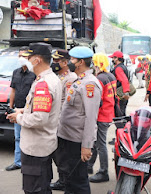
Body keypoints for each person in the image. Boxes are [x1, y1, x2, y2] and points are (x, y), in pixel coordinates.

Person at [7, 42, 62, 194]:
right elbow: (40, 110)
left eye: (28, 57)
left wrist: (18, 118)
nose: (26, 60)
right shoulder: (50, 79)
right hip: (44, 145)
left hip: (35, 148)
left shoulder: (43, 84)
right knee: (42, 187)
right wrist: (21, 111)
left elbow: (39, 119)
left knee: (34, 190)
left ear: (37, 60)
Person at [56, 46, 102, 194]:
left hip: (77, 141)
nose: (69, 62)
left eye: (72, 59)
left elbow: (90, 118)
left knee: (79, 181)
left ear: (80, 62)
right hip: (67, 138)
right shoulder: (79, 80)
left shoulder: (90, 84)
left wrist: (87, 146)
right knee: (69, 178)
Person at [50, 49, 77, 191]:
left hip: (62, 123)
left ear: (65, 63)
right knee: (58, 155)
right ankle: (62, 180)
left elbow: (67, 104)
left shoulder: (70, 78)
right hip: (55, 121)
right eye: (53, 60)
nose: (53, 63)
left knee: (63, 155)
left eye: (56, 61)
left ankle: (66, 182)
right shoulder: (59, 77)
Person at [5, 46, 36, 172]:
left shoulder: (35, 73)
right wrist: (10, 107)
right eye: (19, 56)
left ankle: (31, 162)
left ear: (29, 57)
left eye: (23, 56)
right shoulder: (16, 72)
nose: (21, 59)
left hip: (30, 111)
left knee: (31, 137)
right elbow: (13, 90)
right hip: (17, 109)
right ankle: (18, 162)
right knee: (18, 137)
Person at [88, 53, 116, 183]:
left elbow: (97, 100)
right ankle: (89, 166)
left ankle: (104, 171)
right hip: (108, 113)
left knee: (101, 144)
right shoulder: (110, 76)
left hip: (101, 115)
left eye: (94, 63)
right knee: (96, 142)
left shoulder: (99, 79)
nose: (93, 65)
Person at [109, 51, 130, 116]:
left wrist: (126, 92)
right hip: (122, 94)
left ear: (116, 58)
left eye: (113, 58)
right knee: (122, 114)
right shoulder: (123, 67)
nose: (112, 60)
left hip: (120, 95)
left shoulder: (118, 69)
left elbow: (124, 80)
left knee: (119, 116)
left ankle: (122, 126)